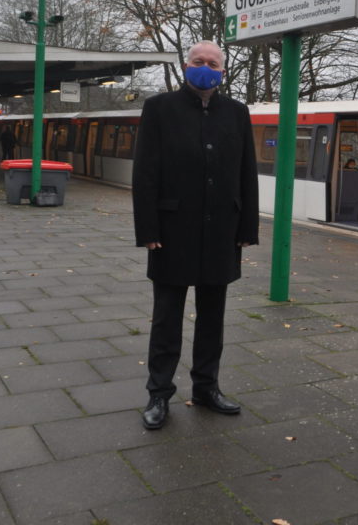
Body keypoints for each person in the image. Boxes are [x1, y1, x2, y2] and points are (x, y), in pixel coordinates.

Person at [132, 40, 259, 430]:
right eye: (198, 61)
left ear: (223, 70)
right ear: (185, 65)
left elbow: (246, 172)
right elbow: (145, 173)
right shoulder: (159, 108)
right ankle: (159, 394)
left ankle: (206, 387)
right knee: (166, 319)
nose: (205, 67)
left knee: (213, 318)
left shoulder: (237, 112)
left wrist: (246, 228)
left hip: (221, 231)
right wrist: (148, 229)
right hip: (171, 232)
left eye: (213, 63)